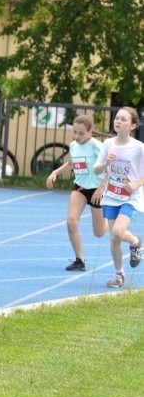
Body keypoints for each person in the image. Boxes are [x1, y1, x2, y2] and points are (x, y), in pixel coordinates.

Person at [45, 114, 109, 271]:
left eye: (81, 133)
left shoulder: (97, 147)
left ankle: (109, 217)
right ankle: (80, 260)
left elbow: (110, 169)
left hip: (96, 190)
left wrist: (101, 188)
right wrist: (55, 172)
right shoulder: (73, 145)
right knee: (71, 222)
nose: (77, 136)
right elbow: (71, 164)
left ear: (90, 132)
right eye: (74, 132)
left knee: (99, 233)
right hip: (80, 187)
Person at [93, 106, 144, 288]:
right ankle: (119, 274)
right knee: (114, 238)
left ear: (132, 125)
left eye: (123, 119)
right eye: (117, 118)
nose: (118, 121)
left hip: (131, 196)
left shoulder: (138, 148)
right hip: (112, 194)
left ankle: (135, 242)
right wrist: (107, 162)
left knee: (116, 232)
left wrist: (137, 183)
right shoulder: (108, 144)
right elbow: (97, 169)